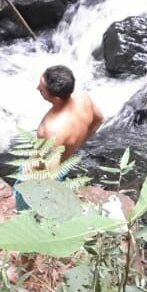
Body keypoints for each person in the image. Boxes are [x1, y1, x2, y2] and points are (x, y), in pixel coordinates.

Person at [14, 65, 103, 211]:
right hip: (64, 163)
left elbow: (51, 178)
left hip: (38, 177)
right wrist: (77, 143)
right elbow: (99, 120)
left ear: (55, 98)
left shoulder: (51, 129)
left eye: (41, 88)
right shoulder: (83, 97)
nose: (37, 88)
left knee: (24, 209)